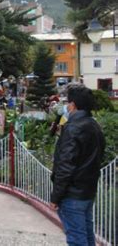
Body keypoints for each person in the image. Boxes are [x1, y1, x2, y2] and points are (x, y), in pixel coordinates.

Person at [50, 84, 105, 246]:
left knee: (77, 240)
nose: (66, 106)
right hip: (87, 191)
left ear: (73, 105)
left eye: (67, 102)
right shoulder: (94, 126)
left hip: (72, 194)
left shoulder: (73, 128)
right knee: (87, 236)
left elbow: (65, 165)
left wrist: (56, 196)